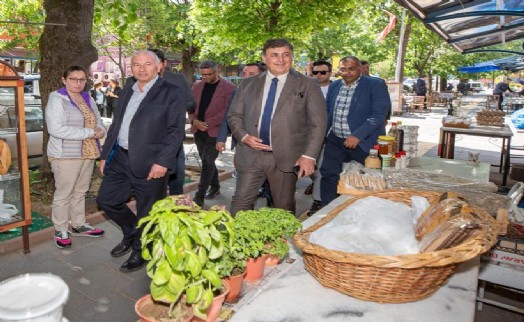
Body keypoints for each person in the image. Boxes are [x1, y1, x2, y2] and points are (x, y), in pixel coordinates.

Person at [96, 50, 186, 273]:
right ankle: (131, 231)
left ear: (159, 67)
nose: (141, 68)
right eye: (136, 64)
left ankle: (141, 250)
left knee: (147, 210)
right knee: (106, 200)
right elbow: (116, 125)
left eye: (147, 64)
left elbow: (175, 132)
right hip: (121, 156)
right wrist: (105, 155)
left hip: (152, 161)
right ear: (131, 68)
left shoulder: (172, 92)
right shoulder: (128, 90)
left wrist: (163, 162)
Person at [228, 38, 327, 215]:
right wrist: (243, 136)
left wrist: (309, 156)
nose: (281, 60)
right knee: (240, 203)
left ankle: (282, 242)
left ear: (292, 57)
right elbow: (234, 115)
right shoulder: (248, 84)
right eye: (274, 55)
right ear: (265, 58)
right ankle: (238, 241)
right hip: (251, 154)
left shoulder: (308, 84)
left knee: (283, 208)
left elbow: (318, 123)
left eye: (286, 55)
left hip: (286, 157)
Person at [46, 66, 106, 249]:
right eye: (73, 79)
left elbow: (99, 121)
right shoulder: (57, 99)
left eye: (82, 79)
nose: (78, 83)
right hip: (66, 155)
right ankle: (61, 228)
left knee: (81, 191)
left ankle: (79, 224)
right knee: (64, 194)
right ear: (64, 79)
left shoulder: (88, 97)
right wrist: (90, 132)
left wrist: (101, 130)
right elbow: (55, 129)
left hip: (88, 152)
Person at [320, 56, 391, 206]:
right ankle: (327, 210)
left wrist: (358, 135)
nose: (347, 72)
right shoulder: (335, 86)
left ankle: (361, 211)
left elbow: (379, 114)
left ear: (360, 68)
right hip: (335, 139)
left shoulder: (375, 84)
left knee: (364, 180)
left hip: (362, 142)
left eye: (352, 68)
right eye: (343, 69)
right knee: (329, 174)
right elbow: (328, 111)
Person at [215, 62, 274, 207]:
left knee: (273, 186)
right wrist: (221, 139)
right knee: (244, 191)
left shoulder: (275, 92)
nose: (246, 77)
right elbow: (229, 116)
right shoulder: (237, 92)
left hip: (271, 148)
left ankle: (271, 201)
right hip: (244, 146)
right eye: (244, 74)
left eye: (251, 74)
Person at [148, 49, 195, 195]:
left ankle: (176, 206)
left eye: (155, 63)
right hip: (147, 139)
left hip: (172, 136)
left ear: (164, 63)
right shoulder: (136, 82)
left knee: (177, 176)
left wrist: (173, 106)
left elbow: (192, 104)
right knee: (150, 178)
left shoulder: (178, 80)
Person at [189, 60, 236, 207]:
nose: (205, 77)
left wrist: (208, 123)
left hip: (215, 131)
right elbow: (190, 105)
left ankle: (199, 195)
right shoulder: (197, 85)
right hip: (198, 129)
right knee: (206, 161)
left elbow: (227, 111)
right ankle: (215, 187)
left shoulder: (229, 88)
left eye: (208, 74)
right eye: (202, 75)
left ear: (217, 71)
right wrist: (194, 121)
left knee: (208, 161)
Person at [305, 59, 332, 215]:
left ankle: (318, 199)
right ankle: (316, 185)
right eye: (315, 72)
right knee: (311, 169)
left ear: (330, 73)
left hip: (326, 136)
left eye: (323, 72)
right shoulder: (305, 86)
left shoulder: (336, 88)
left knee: (321, 169)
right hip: (304, 136)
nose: (319, 75)